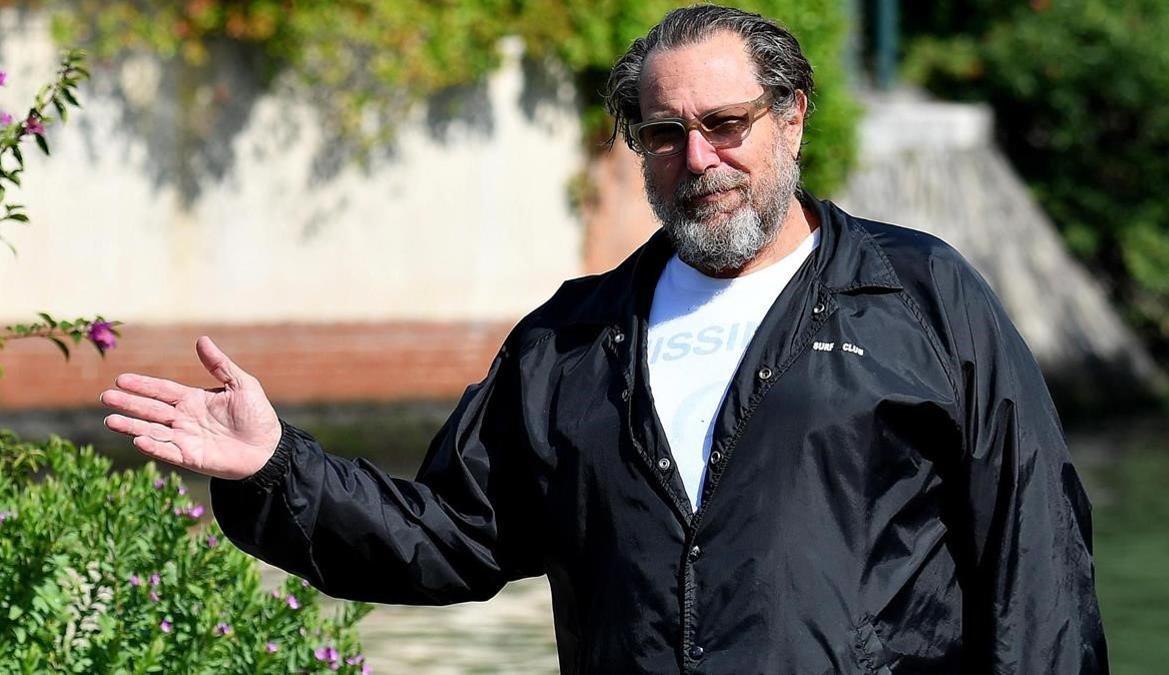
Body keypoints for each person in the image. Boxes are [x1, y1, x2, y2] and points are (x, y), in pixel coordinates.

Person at [101, 5, 1108, 673]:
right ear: (637, 149)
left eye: (726, 124)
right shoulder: (573, 341)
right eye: (663, 134)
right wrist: (277, 468)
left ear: (792, 118)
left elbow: (1038, 560)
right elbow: (450, 535)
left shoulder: (923, 297)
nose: (698, 158)